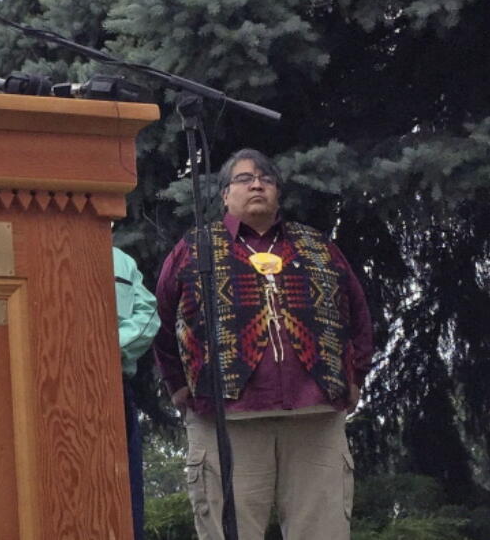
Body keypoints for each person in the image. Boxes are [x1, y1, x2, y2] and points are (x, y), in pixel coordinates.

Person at [152, 148, 374, 540]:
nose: (256, 184)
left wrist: (355, 375)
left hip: (315, 414)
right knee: (229, 533)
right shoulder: (195, 248)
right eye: (243, 178)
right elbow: (162, 320)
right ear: (225, 195)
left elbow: (357, 312)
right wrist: (177, 385)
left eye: (266, 179)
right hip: (226, 415)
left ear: (277, 194)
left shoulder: (317, 246)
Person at [114, 246, 159, 539]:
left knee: (122, 492)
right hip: (40, 386)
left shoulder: (121, 259)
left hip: (112, 387)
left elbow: (148, 314)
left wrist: (107, 345)